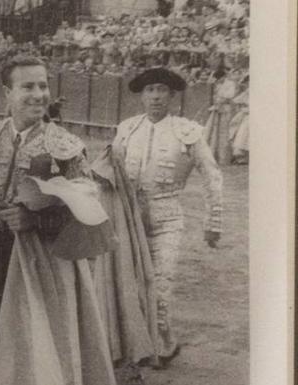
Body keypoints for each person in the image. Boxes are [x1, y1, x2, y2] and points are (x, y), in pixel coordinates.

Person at [0, 55, 116, 385]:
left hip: (40, 264)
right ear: (8, 92)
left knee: (34, 357)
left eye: (43, 85)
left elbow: (91, 210)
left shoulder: (65, 145)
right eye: (27, 86)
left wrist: (37, 221)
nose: (38, 94)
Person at [111, 67, 222, 369]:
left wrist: (213, 223)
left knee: (160, 286)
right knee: (130, 285)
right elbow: (109, 173)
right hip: (129, 219)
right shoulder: (127, 129)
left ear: (172, 95)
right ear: (142, 95)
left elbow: (212, 175)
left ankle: (160, 346)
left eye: (162, 90)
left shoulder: (187, 131)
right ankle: (151, 343)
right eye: (150, 90)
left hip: (168, 218)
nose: (156, 96)